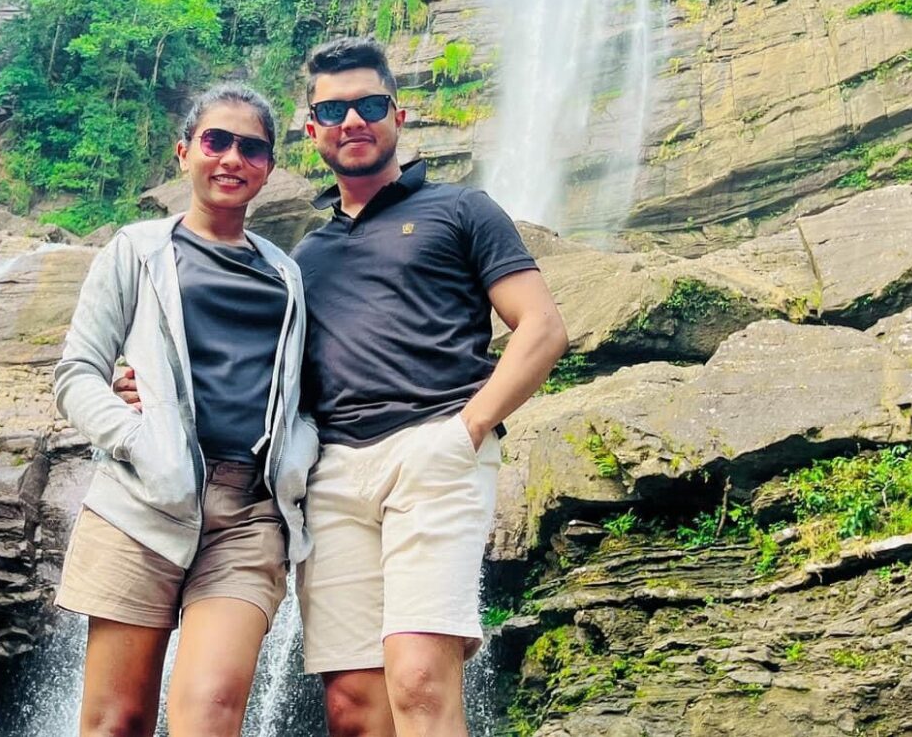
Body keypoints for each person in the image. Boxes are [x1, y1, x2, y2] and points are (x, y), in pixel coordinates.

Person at [290, 37, 568, 737]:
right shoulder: (304, 256)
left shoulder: (463, 209)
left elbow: (541, 328)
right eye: (334, 110)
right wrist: (146, 382)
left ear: (399, 114)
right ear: (312, 128)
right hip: (332, 475)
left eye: (369, 104)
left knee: (418, 681)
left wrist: (466, 430)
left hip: (435, 452)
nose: (354, 120)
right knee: (352, 707)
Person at [53, 83, 319, 737]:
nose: (232, 158)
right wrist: (136, 436)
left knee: (210, 711)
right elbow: (78, 373)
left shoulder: (287, 277)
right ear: (185, 153)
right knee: (116, 720)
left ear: (269, 167)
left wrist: (295, 460)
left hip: (249, 516)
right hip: (140, 501)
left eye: (251, 148)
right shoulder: (136, 250)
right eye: (216, 141)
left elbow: (306, 399)